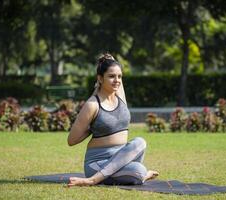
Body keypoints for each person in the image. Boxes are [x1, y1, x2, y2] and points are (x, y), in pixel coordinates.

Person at [67, 53, 159, 187]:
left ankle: (138, 175)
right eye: (111, 76)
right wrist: (92, 128)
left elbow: (116, 74)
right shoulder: (92, 105)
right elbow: (71, 140)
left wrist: (111, 61)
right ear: (100, 78)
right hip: (97, 163)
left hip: (121, 158)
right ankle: (92, 179)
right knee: (139, 171)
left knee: (140, 143)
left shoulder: (120, 97)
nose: (117, 80)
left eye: (119, 76)